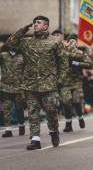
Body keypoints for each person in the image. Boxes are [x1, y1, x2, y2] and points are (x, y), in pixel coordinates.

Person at [3, 16, 63, 150]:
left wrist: (60, 79)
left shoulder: (55, 42)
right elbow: (9, 44)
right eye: (35, 22)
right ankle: (35, 139)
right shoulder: (26, 42)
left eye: (39, 23)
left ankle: (54, 131)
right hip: (30, 84)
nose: (35, 24)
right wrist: (22, 30)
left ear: (46, 26)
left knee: (51, 111)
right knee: (32, 112)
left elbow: (63, 62)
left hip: (49, 83)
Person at [0, 47, 25, 137]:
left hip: (19, 87)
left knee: (19, 108)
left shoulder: (22, 56)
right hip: (6, 87)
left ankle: (21, 125)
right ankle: (8, 130)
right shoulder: (3, 55)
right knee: (7, 109)